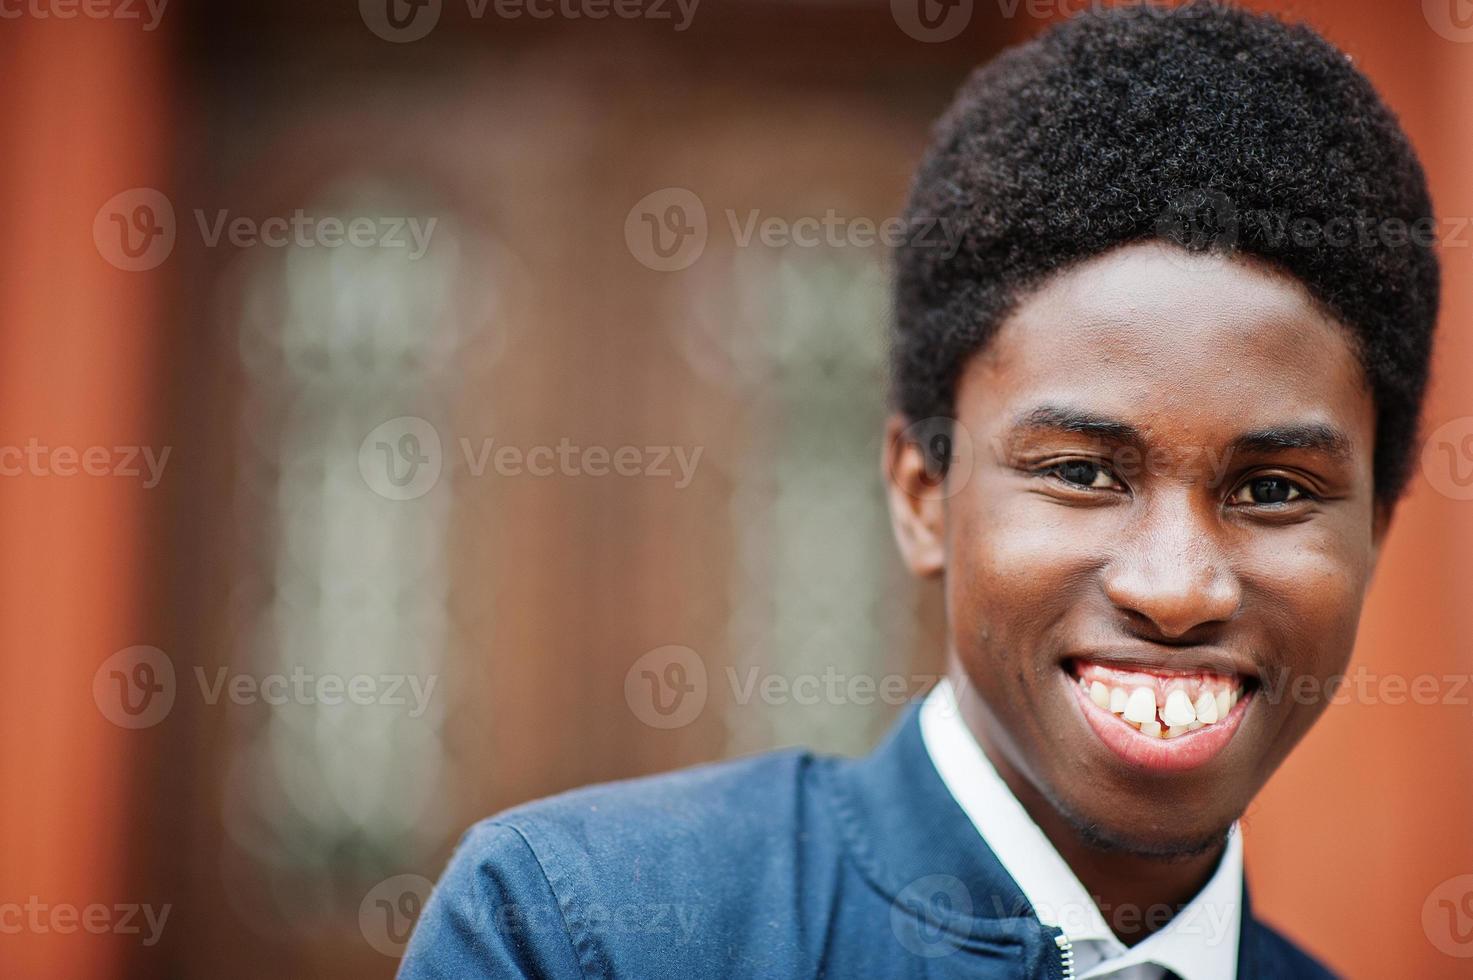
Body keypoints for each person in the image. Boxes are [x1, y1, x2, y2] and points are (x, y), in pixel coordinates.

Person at [399, 4, 1439, 976]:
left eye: (1271, 488)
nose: (1176, 588)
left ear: (1375, 532)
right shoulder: (579, 930)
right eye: (1081, 471)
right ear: (922, 493)